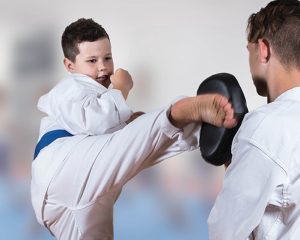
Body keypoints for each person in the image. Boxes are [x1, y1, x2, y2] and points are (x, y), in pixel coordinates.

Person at [31, 18, 236, 239]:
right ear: (70, 66)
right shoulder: (70, 87)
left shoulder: (98, 98)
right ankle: (186, 119)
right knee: (140, 140)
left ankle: (196, 125)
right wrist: (121, 89)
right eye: (92, 60)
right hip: (63, 166)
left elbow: (101, 128)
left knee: (141, 143)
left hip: (65, 199)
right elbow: (97, 121)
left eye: (107, 58)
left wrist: (129, 125)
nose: (103, 67)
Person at [208, 0, 300, 239]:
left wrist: (233, 149)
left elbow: (225, 233)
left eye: (248, 50)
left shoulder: (266, 126)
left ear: (263, 49)